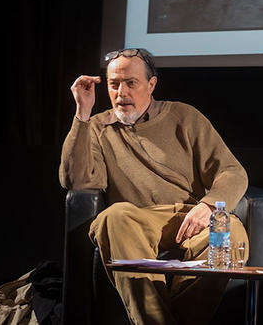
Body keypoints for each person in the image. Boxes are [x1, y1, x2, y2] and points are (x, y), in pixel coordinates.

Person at [59, 48, 249, 325]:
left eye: (131, 83)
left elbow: (232, 171)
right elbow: (77, 180)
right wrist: (82, 114)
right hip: (136, 222)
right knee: (114, 215)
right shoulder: (98, 127)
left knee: (230, 229)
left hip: (188, 219)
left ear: (151, 84)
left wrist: (207, 206)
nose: (121, 92)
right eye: (114, 84)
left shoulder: (184, 116)